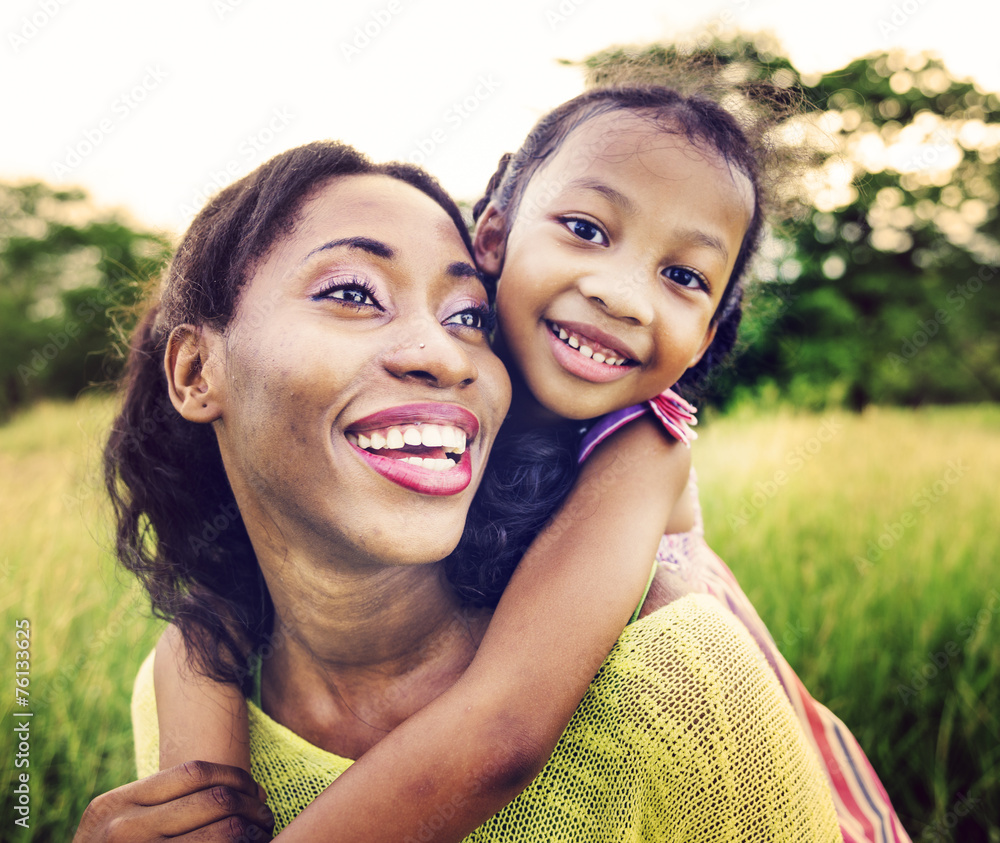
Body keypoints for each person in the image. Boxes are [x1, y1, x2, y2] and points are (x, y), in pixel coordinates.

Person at [147, 86, 910, 841]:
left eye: (683, 276)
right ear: (493, 238)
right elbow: (206, 616)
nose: (622, 296)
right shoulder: (449, 370)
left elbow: (502, 728)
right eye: (585, 228)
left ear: (705, 338)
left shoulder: (644, 445)